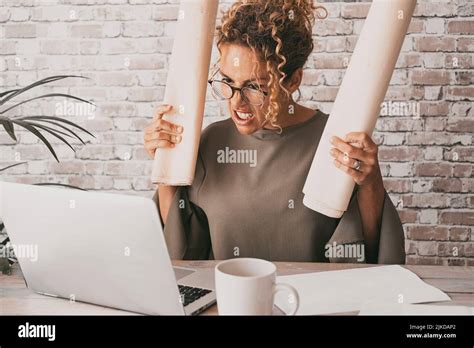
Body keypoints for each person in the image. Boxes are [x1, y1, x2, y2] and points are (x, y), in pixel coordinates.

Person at [144, 0, 405, 264]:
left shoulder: (334, 144)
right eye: (227, 82)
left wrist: (371, 183)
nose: (236, 102)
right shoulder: (212, 142)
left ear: (293, 80)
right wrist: (164, 163)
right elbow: (182, 252)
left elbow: (365, 260)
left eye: (254, 87)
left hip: (312, 303)